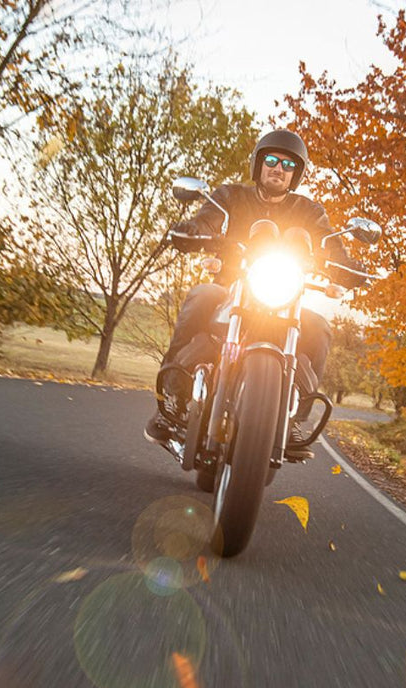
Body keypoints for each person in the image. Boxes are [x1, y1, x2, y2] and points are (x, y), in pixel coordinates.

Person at [144, 129, 368, 461]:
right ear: (259, 164)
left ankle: (293, 418)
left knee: (318, 326)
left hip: (284, 300)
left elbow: (330, 245)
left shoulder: (309, 211)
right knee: (202, 295)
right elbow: (207, 220)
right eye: (272, 160)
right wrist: (193, 231)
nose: (279, 169)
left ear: (296, 173)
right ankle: (171, 402)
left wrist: (349, 268)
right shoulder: (230, 196)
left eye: (288, 164)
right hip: (230, 290)